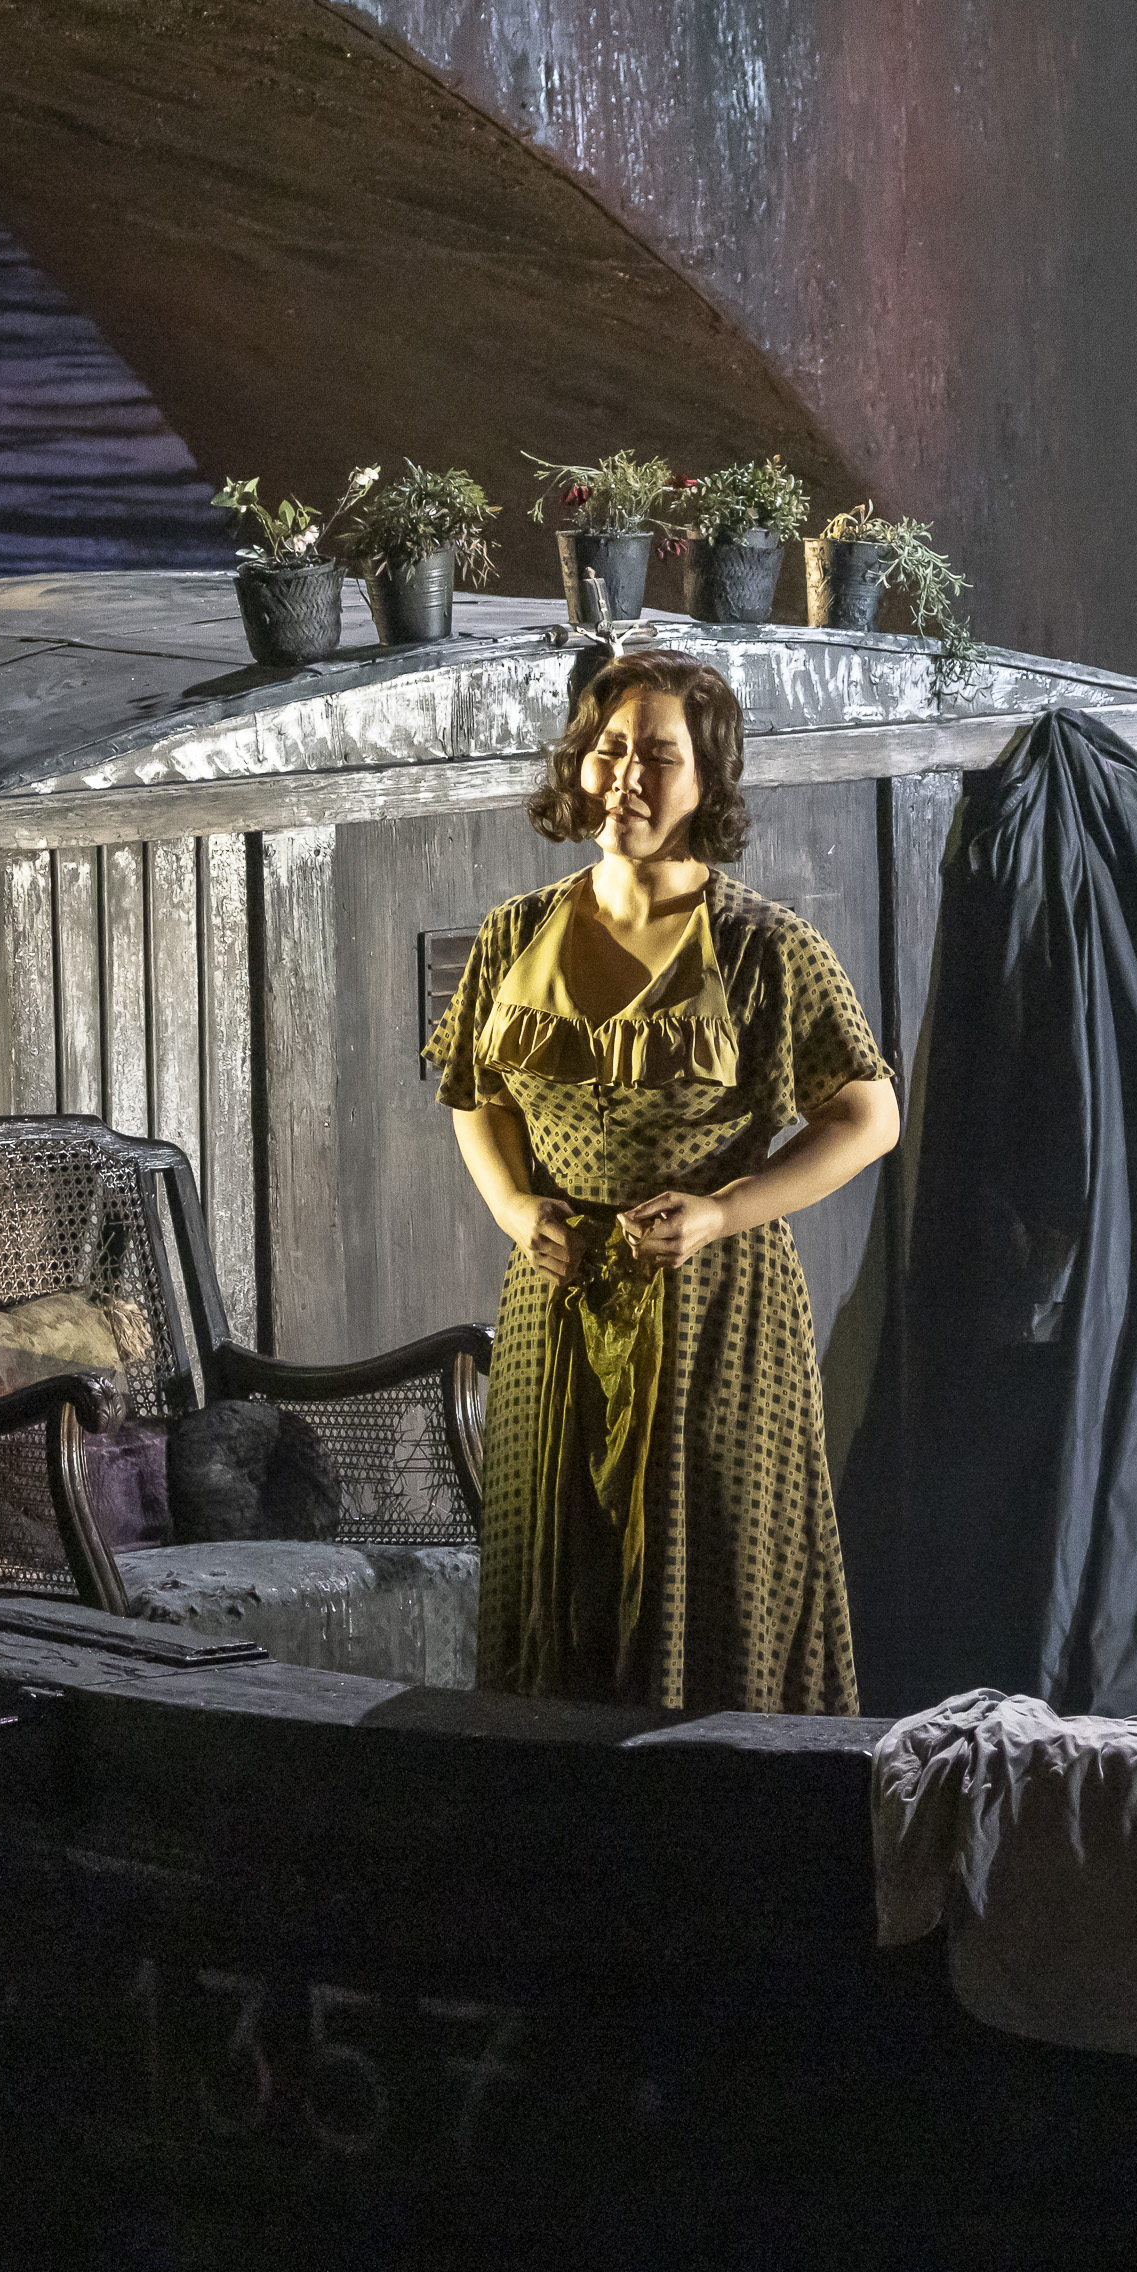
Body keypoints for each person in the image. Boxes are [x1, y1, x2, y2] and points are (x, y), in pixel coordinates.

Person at [432, 650, 902, 1712]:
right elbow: (474, 1093)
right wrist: (513, 1205)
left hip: (714, 1314)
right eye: (609, 750)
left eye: (658, 755)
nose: (626, 777)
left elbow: (870, 1116)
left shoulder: (764, 948)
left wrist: (723, 1210)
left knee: (713, 1586)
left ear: (707, 780)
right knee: (557, 1587)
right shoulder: (516, 933)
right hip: (557, 1307)